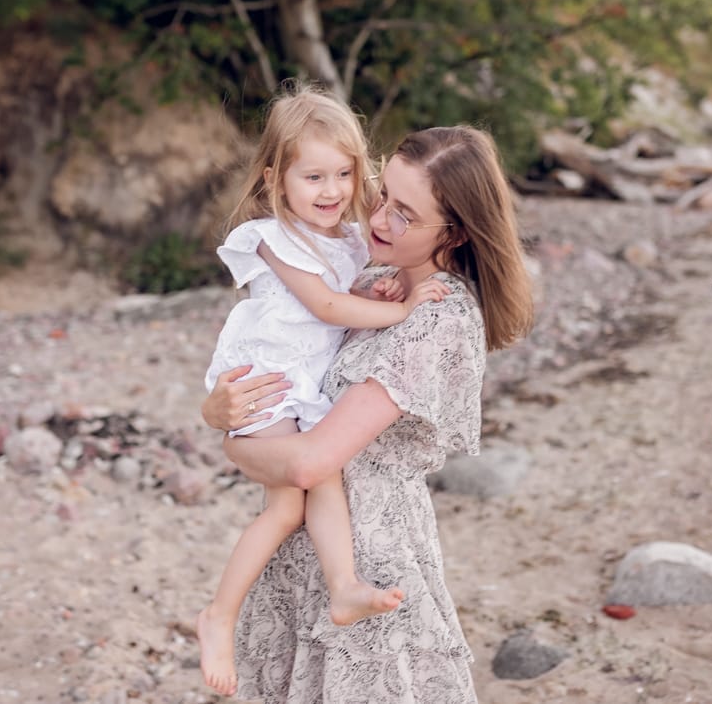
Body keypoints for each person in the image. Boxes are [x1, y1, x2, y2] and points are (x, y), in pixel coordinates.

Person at [201, 124, 534, 704]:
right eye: (382, 197)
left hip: (371, 553)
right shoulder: (376, 279)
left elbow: (308, 464)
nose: (378, 220)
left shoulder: (437, 319)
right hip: (302, 551)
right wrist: (218, 405)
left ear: (454, 233)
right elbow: (285, 353)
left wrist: (229, 441)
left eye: (405, 214)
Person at [196, 85, 450, 697]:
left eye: (344, 173)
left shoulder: (343, 238)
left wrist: (377, 291)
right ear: (275, 177)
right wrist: (403, 306)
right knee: (289, 502)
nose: (331, 190)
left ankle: (341, 588)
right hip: (266, 384)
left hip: (302, 389)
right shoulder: (272, 237)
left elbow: (347, 297)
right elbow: (324, 304)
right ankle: (218, 617)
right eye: (313, 176)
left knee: (318, 479)